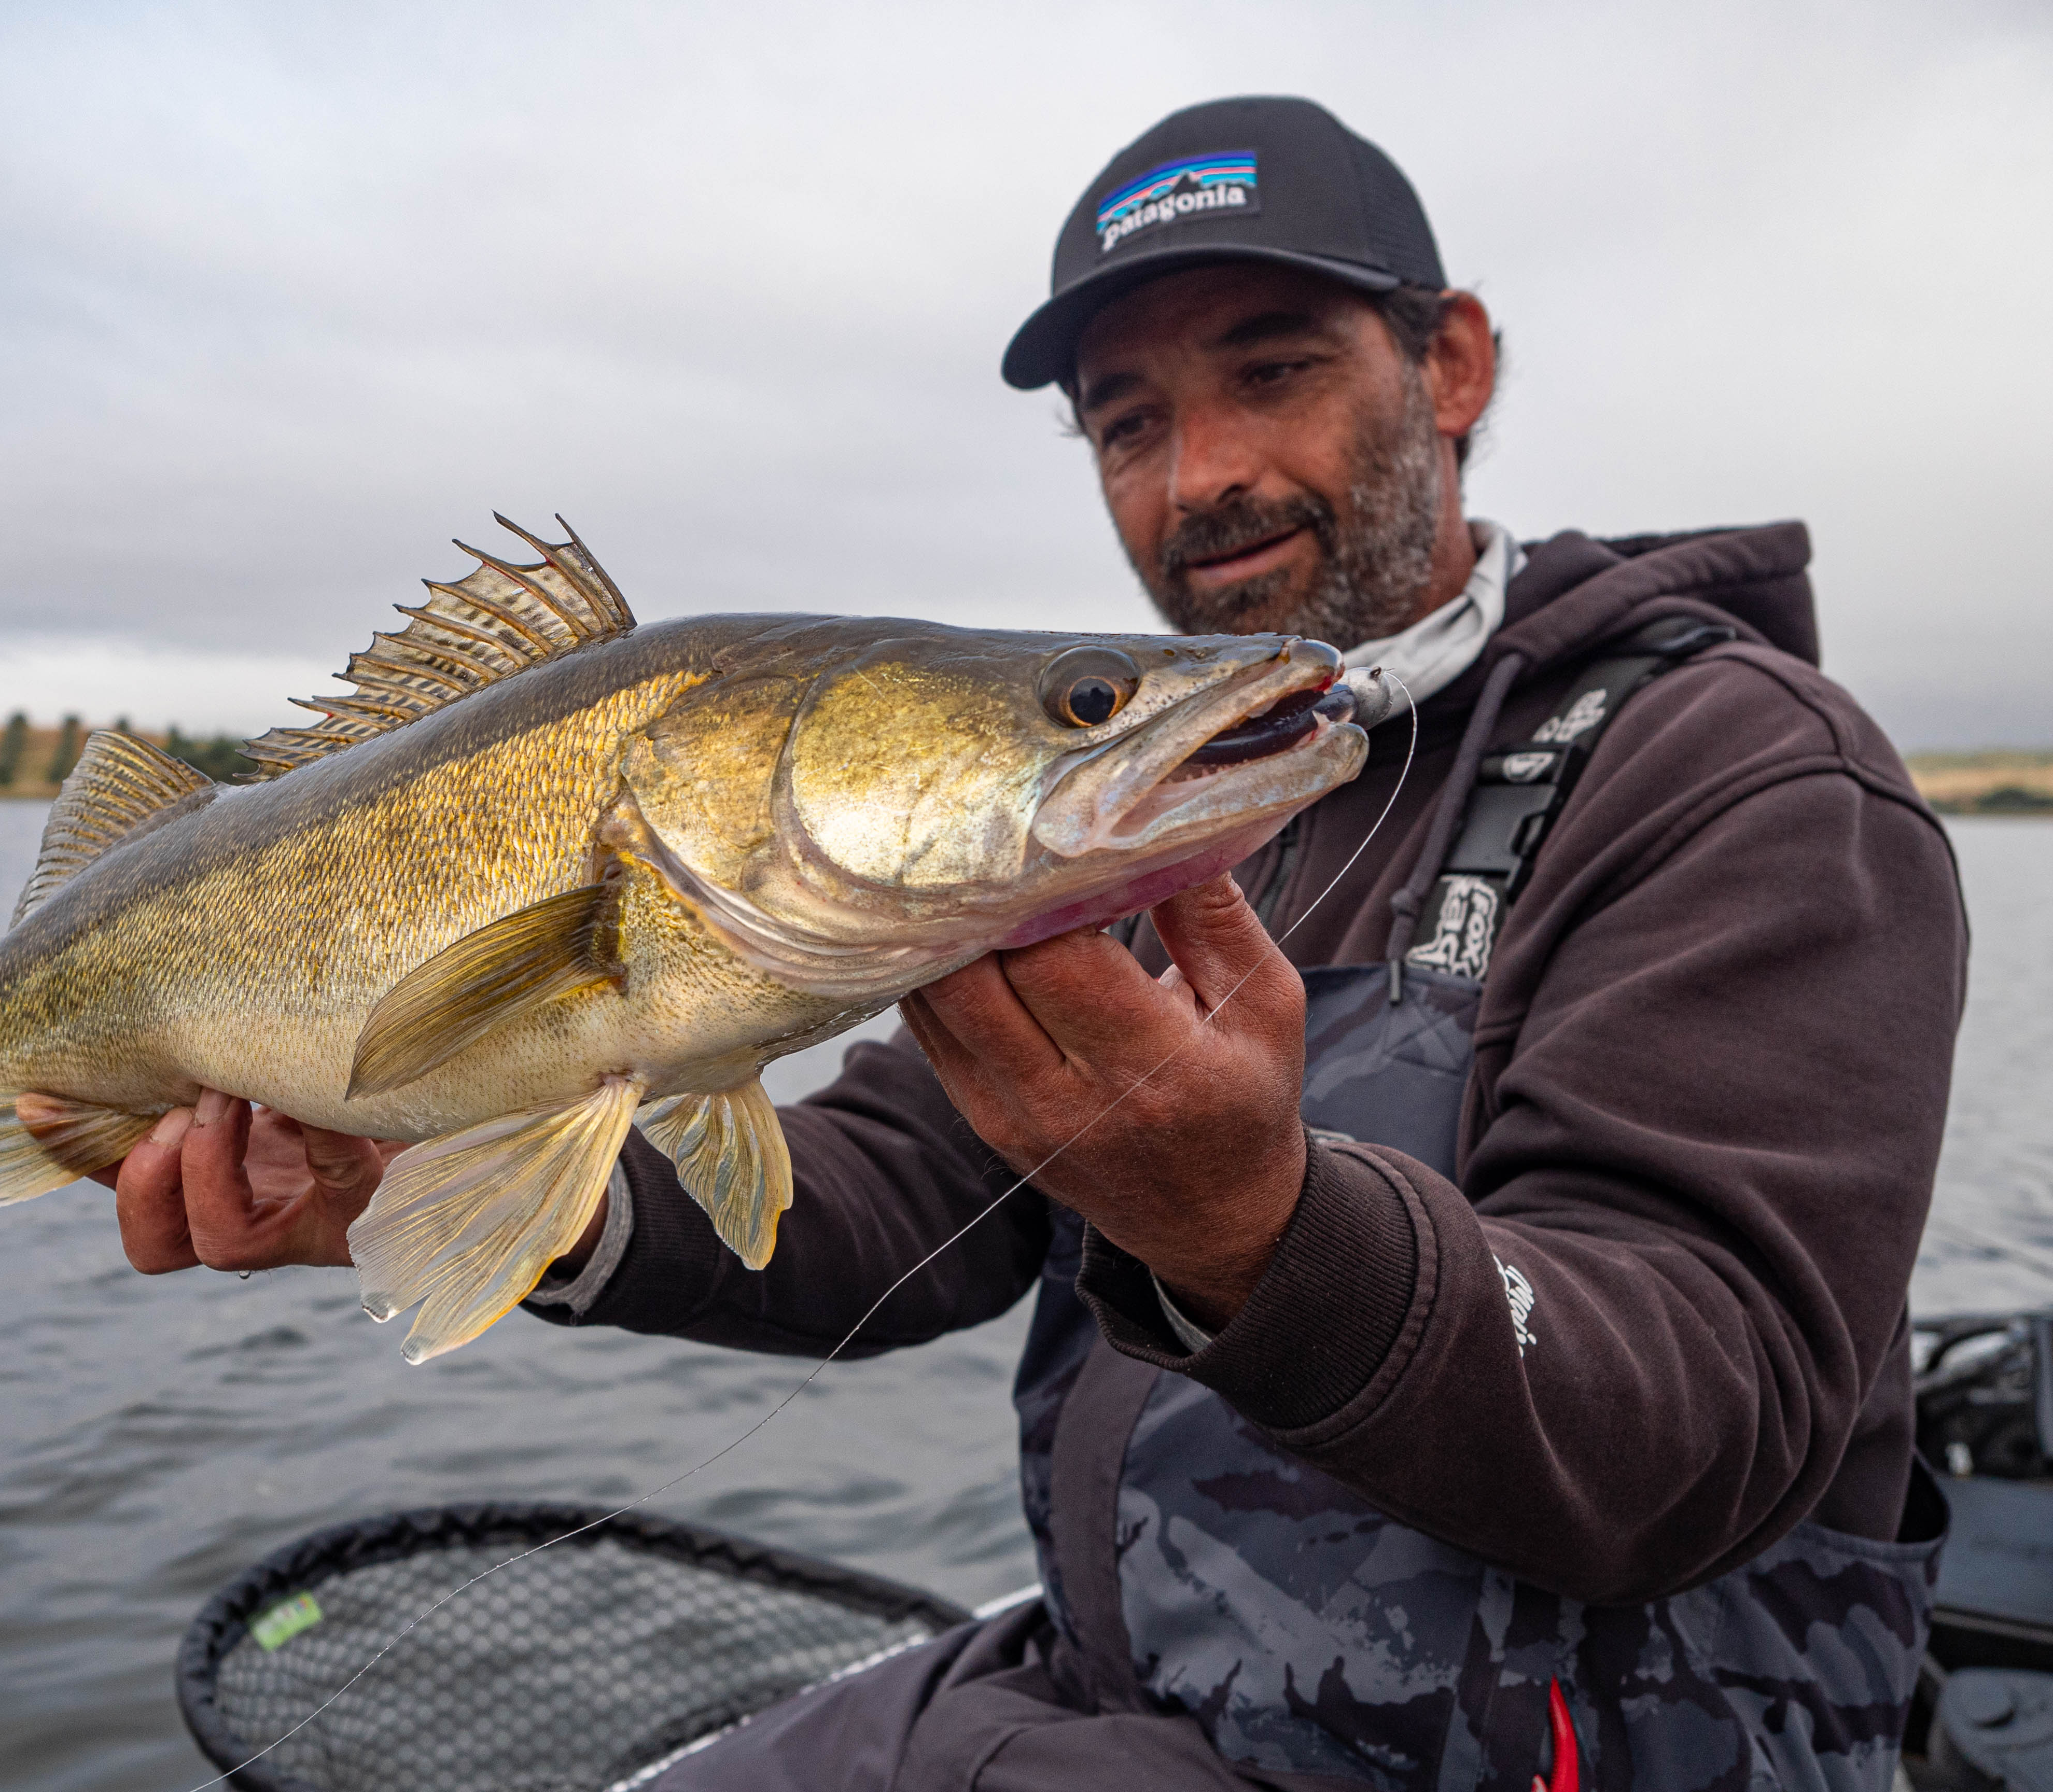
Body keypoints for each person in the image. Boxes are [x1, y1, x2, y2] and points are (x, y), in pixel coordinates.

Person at [106, 96, 1965, 1790]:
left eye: (1277, 367)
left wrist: (1259, 1233)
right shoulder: (1121, 817)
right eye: (1129, 421)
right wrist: (468, 1196)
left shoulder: (1740, 780)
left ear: (1453, 363)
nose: (1202, 473)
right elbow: (898, 1201)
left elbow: (1709, 1407)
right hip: (1124, 1688)